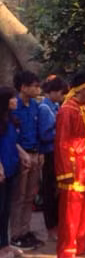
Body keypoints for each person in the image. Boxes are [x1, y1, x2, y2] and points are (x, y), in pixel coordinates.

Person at [55, 71, 85, 257]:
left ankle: (81, 245)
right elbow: (62, 143)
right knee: (70, 211)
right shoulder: (67, 111)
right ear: (82, 89)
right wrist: (65, 171)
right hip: (73, 167)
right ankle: (67, 250)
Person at [10, 71, 44, 251]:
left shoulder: (34, 105)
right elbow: (10, 135)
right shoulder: (13, 106)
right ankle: (15, 235)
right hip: (20, 155)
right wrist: (21, 153)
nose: (38, 89)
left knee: (30, 195)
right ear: (23, 87)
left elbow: (38, 130)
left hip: (35, 153)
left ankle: (25, 230)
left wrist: (40, 152)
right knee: (19, 196)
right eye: (35, 86)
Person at [38, 76, 67, 242]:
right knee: (49, 190)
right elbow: (45, 134)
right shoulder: (44, 108)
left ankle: (57, 223)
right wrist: (61, 133)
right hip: (49, 153)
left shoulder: (55, 106)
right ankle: (51, 227)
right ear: (54, 92)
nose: (62, 97)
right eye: (61, 93)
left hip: (57, 152)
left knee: (57, 190)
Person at [0, 87, 21, 258]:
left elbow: (13, 142)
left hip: (11, 168)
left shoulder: (11, 119)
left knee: (7, 209)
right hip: (2, 170)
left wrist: (24, 154)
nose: (15, 100)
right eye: (12, 98)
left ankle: (5, 244)